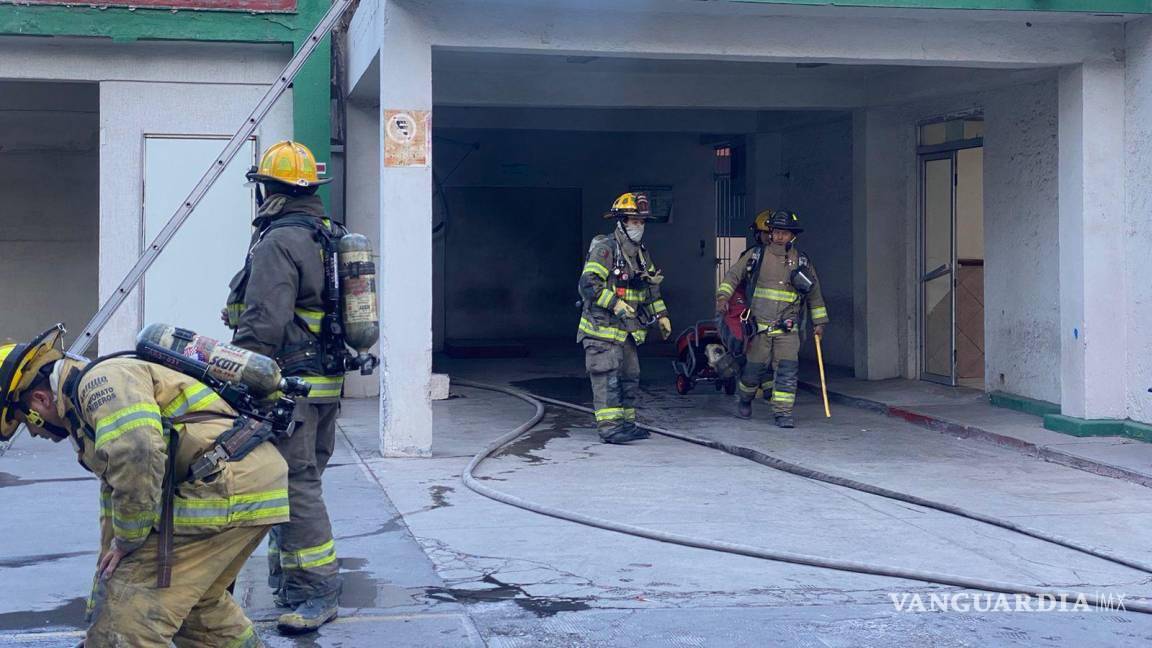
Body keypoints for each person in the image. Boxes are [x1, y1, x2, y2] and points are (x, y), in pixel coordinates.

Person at [0, 324, 288, 646]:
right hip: (249, 483)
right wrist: (107, 579)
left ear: (39, 399)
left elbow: (138, 451)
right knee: (196, 611)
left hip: (224, 488)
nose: (37, 434)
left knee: (127, 626)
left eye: (27, 422)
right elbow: (118, 499)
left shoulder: (101, 383)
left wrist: (128, 544)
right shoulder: (87, 410)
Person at [224, 140, 344, 633]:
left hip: (288, 387)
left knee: (296, 486)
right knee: (298, 479)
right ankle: (290, 581)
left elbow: (264, 323)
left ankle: (316, 592)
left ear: (269, 191)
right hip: (324, 387)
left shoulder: (278, 242)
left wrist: (233, 373)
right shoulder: (327, 234)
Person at [715, 209, 829, 427]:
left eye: (784, 233)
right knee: (753, 372)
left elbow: (814, 293)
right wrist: (723, 297)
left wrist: (819, 322)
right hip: (759, 329)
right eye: (776, 232)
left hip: (788, 329)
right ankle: (745, 399)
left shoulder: (802, 261)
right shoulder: (756, 256)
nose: (779, 236)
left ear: (792, 235)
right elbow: (733, 276)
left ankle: (783, 413)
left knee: (786, 372)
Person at [577, 192, 672, 444]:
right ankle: (609, 428)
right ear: (620, 221)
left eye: (641, 222)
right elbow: (588, 284)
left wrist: (661, 315)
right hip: (602, 330)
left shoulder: (640, 253)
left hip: (628, 332)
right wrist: (614, 302)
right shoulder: (605, 249)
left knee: (630, 377)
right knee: (606, 375)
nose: (638, 226)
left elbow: (651, 288)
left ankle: (627, 425)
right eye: (633, 221)